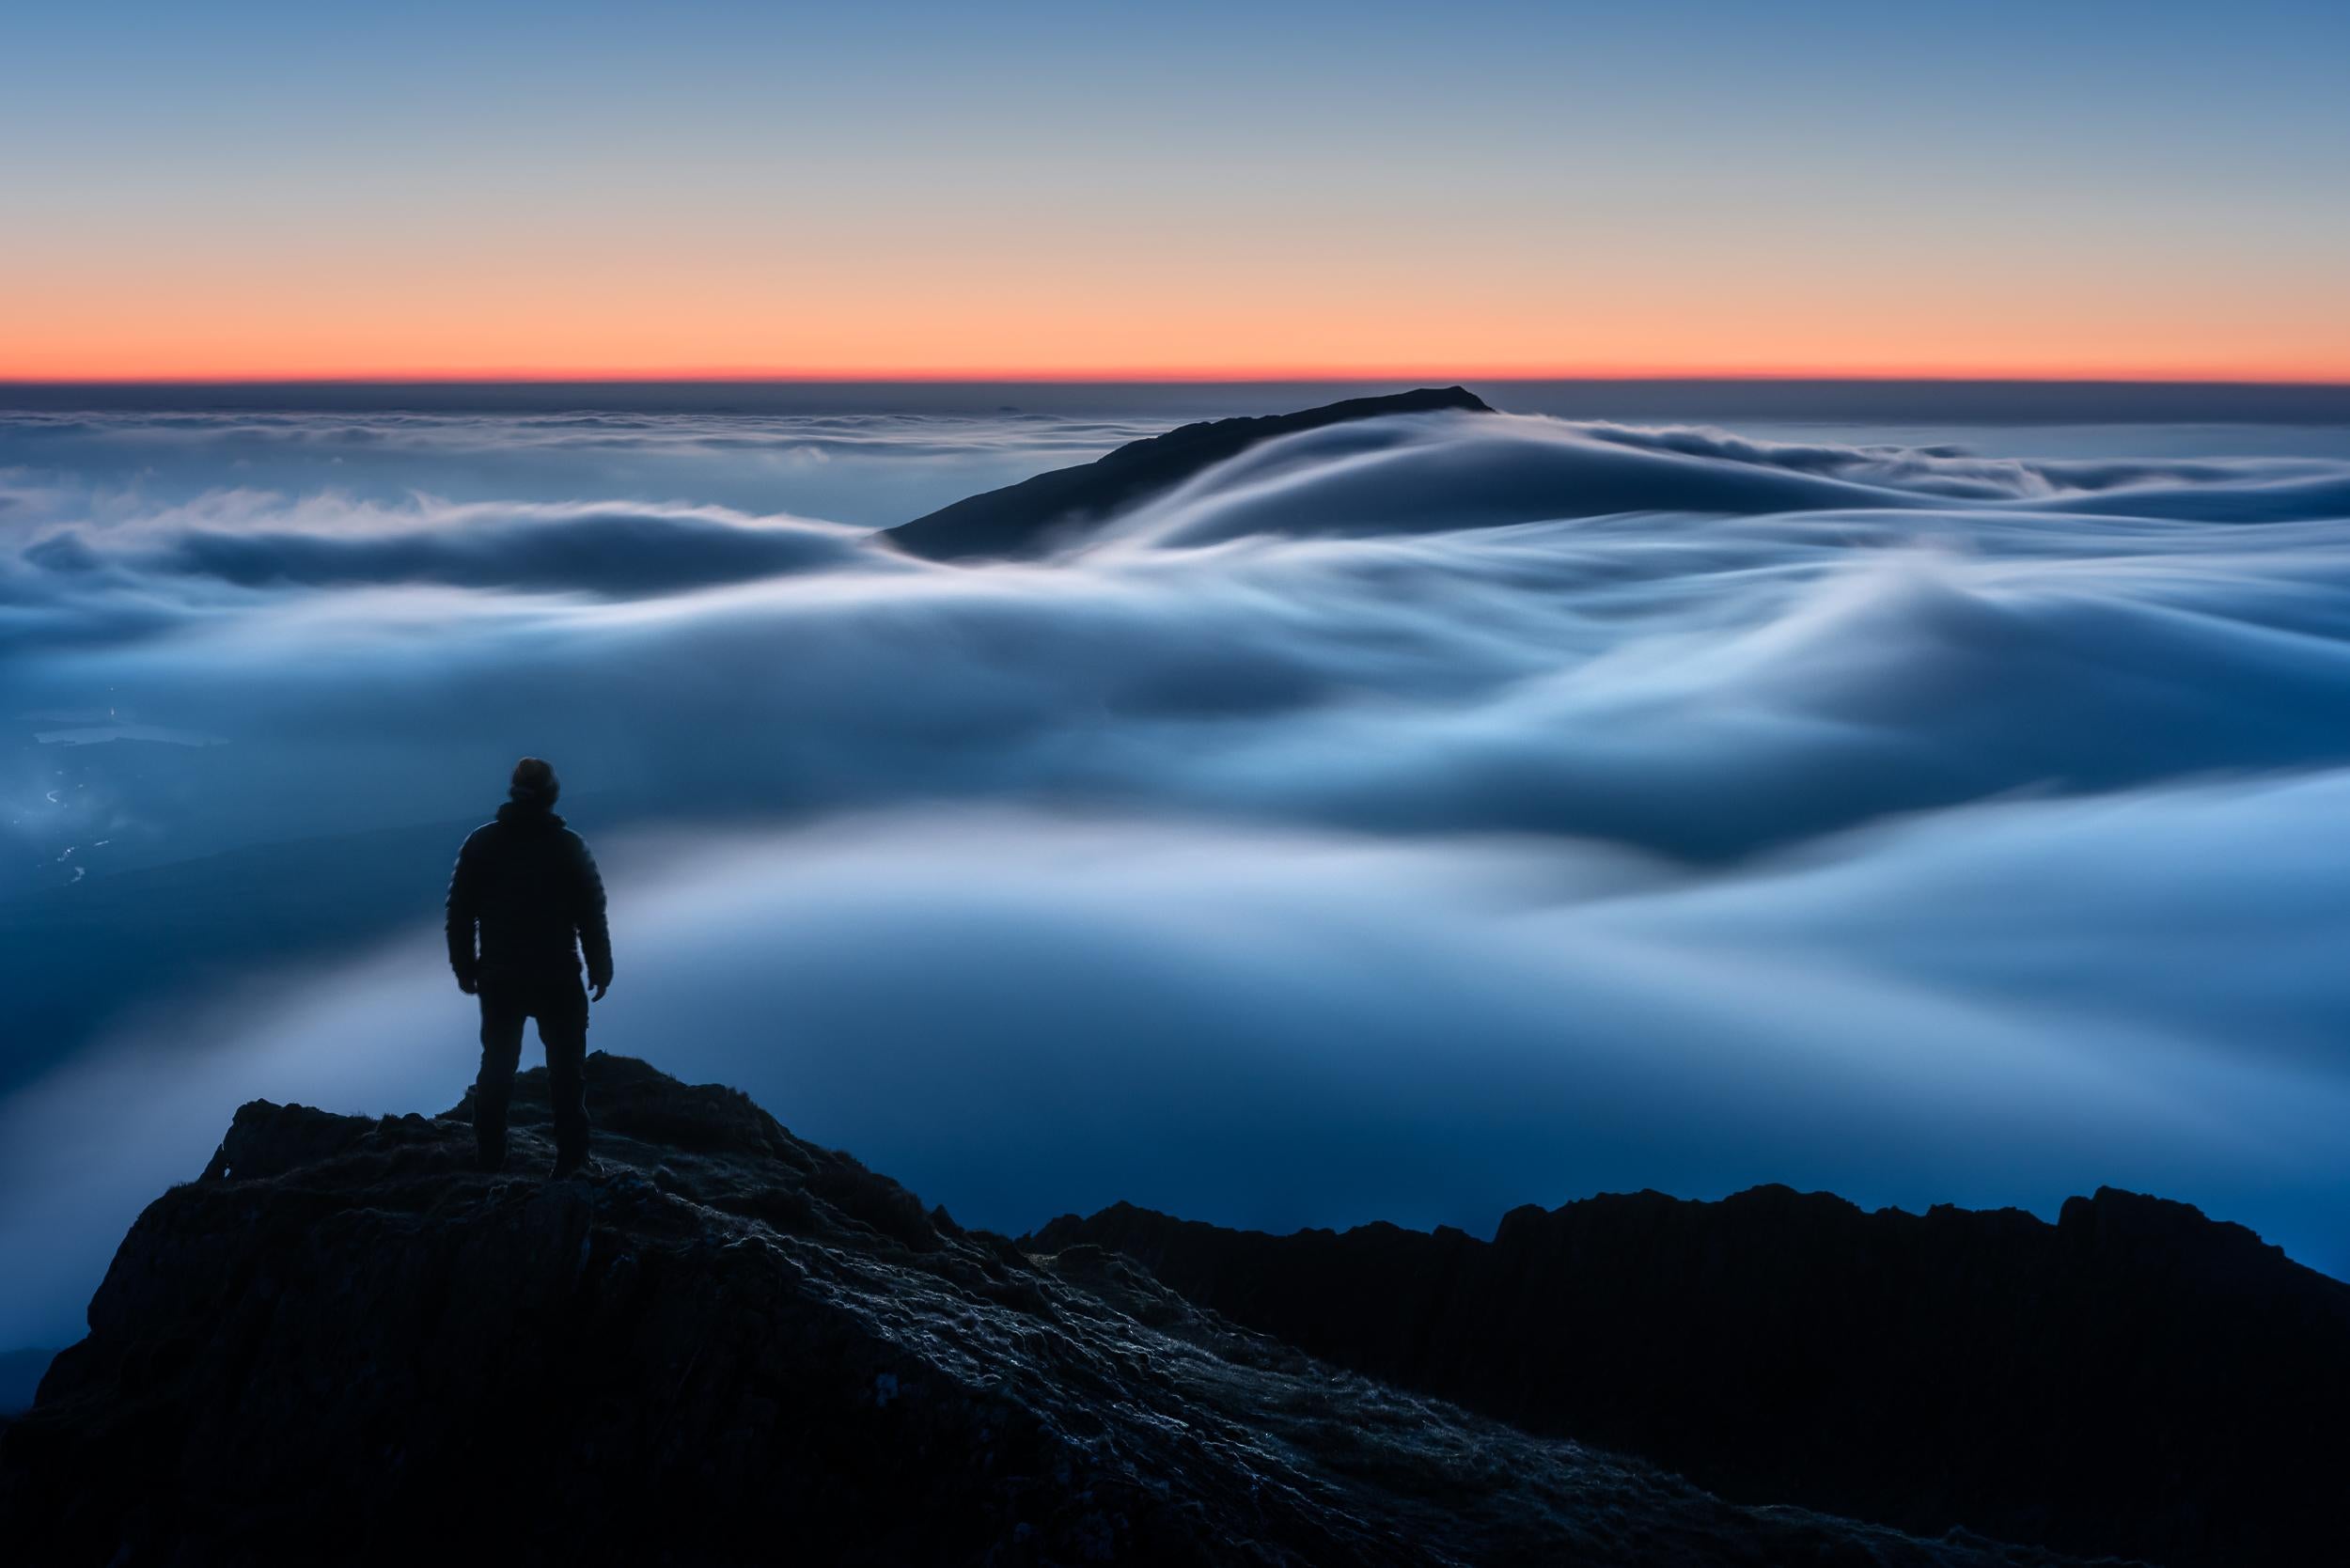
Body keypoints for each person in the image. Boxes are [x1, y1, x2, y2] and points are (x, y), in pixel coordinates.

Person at [446, 757, 613, 1178]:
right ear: (551, 794)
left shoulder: (481, 843)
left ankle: (489, 1156)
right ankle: (572, 1161)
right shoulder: (569, 846)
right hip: (557, 975)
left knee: (497, 1066)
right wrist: (600, 965)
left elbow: (460, 913)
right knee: (567, 1073)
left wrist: (465, 967)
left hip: (500, 976)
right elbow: (591, 913)